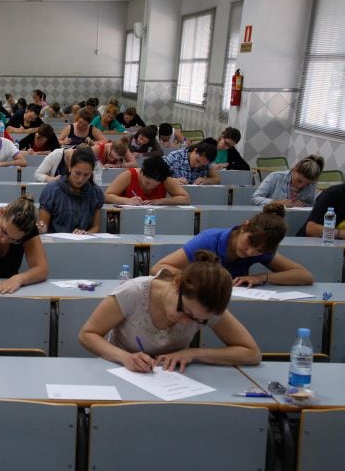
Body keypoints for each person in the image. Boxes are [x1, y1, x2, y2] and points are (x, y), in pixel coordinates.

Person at [78, 250, 261, 373]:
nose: (185, 322)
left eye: (199, 321)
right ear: (176, 284)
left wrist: (194, 353)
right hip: (121, 371)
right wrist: (125, 358)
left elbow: (251, 353)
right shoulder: (134, 292)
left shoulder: (206, 306)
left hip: (171, 379)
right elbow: (87, 334)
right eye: (184, 311)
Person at [152, 203, 313, 288]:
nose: (250, 252)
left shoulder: (260, 247)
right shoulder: (209, 240)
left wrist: (261, 277)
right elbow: (158, 268)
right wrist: (205, 279)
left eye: (259, 251)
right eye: (250, 243)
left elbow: (304, 275)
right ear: (244, 226)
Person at [37, 147, 104, 234]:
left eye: (86, 175)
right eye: (77, 173)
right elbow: (43, 227)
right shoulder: (51, 190)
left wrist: (86, 234)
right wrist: (40, 228)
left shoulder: (95, 193)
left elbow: (96, 227)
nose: (81, 179)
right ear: (70, 167)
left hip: (84, 243)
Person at [104, 155, 191, 206]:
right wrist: (127, 201)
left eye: (154, 185)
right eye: (147, 182)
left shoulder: (165, 178)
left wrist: (160, 201)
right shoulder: (129, 175)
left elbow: (186, 199)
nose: (149, 187)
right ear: (142, 171)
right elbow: (106, 196)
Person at [251, 155, 323, 207]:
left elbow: (312, 205)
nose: (301, 186)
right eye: (299, 181)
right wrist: (276, 202)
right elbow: (255, 199)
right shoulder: (276, 177)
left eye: (307, 184)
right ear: (294, 169)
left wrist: (304, 204)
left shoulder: (311, 185)